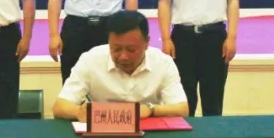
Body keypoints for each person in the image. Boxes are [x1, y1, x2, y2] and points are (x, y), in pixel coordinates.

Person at [52, 11, 189, 120]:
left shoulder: (163, 63)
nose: (123, 57)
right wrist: (78, 112)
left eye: (131, 50)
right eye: (116, 49)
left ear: (147, 42)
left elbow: (182, 109)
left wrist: (150, 109)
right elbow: (59, 107)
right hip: (102, 136)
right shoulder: (90, 59)